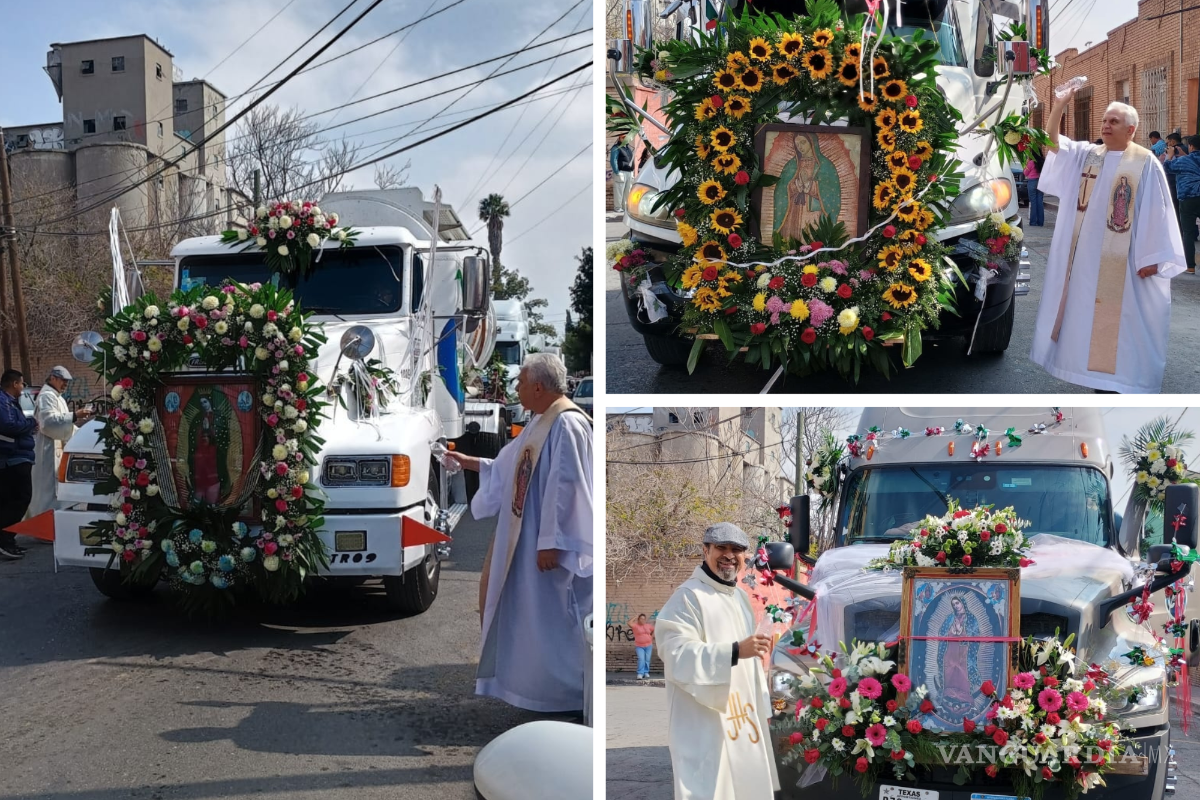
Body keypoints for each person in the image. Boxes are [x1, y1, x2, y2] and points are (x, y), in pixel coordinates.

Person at [448, 353, 592, 713]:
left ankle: (570, 694)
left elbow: (568, 487)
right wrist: (470, 463)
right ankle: (537, 689)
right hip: (525, 540)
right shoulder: (539, 421)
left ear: (539, 387)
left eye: (521, 381)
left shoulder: (567, 424)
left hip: (547, 549)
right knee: (530, 620)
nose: (516, 387)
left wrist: (552, 543)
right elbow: (509, 466)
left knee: (554, 620)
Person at [1030, 90, 1186, 393]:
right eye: (1103, 120)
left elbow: (1157, 210)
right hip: (1085, 261)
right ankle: (1095, 380)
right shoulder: (1087, 154)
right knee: (1085, 318)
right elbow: (1051, 143)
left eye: (1113, 121)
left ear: (1131, 130)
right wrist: (1060, 105)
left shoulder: (1145, 163)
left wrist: (1152, 256)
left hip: (1125, 262)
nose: (1105, 125)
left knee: (1124, 323)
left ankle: (1118, 383)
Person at [656, 522, 779, 800]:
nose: (728, 555)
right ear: (705, 550)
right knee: (710, 789)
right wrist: (734, 651)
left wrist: (763, 708)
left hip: (742, 719)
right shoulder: (688, 597)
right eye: (721, 548)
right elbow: (674, 653)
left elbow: (752, 662)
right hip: (703, 724)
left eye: (736, 550)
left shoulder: (739, 598)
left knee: (745, 788)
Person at [30, 366, 92, 517]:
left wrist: (83, 434)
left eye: (67, 382)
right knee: (47, 493)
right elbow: (48, 423)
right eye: (63, 381)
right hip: (48, 454)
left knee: (57, 494)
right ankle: (43, 526)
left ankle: (54, 525)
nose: (65, 384)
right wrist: (74, 416)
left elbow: (66, 426)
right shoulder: (46, 396)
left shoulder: (57, 397)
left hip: (57, 452)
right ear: (53, 378)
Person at [0, 370, 38, 560]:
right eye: (22, 384)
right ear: (14, 384)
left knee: (11, 501)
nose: (23, 388)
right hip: (14, 458)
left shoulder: (10, 402)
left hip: (18, 456)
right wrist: (31, 423)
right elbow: (8, 426)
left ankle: (8, 540)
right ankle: (5, 540)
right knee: (20, 500)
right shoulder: (3, 401)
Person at [1164, 135, 1200, 275]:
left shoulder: (1184, 160)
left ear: (1190, 146)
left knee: (1188, 233)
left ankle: (1190, 266)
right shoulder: (1186, 158)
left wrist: (1170, 155)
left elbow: (1167, 168)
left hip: (1188, 198)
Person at [1160, 132, 1188, 221]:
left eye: (1168, 142)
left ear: (1172, 141)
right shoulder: (1186, 149)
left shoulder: (1174, 150)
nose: (1167, 145)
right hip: (1188, 186)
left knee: (1176, 209)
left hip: (1175, 183)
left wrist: (1168, 156)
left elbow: (1167, 167)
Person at [630, 613, 655, 679]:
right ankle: (640, 673)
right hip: (639, 646)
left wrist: (651, 637)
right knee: (641, 659)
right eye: (641, 619)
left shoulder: (648, 626)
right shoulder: (636, 626)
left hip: (648, 645)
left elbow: (654, 630)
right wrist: (635, 617)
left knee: (647, 659)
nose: (643, 620)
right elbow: (629, 623)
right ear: (638, 619)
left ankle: (646, 672)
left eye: (644, 619)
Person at [610, 140, 634, 213]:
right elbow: (613, 160)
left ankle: (625, 207)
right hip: (621, 172)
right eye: (623, 137)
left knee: (628, 191)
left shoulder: (628, 148)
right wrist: (617, 172)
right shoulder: (616, 148)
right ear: (620, 138)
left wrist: (632, 171)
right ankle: (618, 207)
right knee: (619, 191)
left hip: (629, 172)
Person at [1024, 151, 1046, 226]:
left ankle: (1033, 222)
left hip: (1032, 182)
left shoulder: (1031, 163)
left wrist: (1026, 163)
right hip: (1040, 182)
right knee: (1040, 201)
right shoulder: (1043, 162)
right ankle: (1040, 222)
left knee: (1033, 202)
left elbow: (1025, 173)